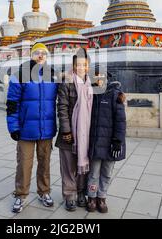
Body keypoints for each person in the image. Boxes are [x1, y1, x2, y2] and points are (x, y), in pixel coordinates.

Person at [6, 43, 58, 213]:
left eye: (44, 53)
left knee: (45, 163)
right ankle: (20, 195)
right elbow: (12, 104)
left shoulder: (53, 75)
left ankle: (44, 192)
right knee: (24, 163)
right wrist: (13, 127)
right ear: (31, 55)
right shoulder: (20, 75)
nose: (40, 56)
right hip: (25, 129)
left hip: (46, 129)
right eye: (37, 53)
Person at [55, 48, 93, 211]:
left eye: (84, 65)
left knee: (83, 165)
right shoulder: (67, 83)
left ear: (88, 66)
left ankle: (80, 192)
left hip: (86, 133)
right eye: (78, 65)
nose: (81, 68)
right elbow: (62, 108)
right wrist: (66, 131)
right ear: (73, 65)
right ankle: (69, 195)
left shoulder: (92, 84)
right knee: (69, 166)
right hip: (69, 133)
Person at [86, 69, 127, 213]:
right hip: (96, 143)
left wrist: (118, 141)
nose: (99, 79)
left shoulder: (115, 95)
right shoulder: (90, 94)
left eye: (101, 76)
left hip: (111, 143)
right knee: (93, 173)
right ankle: (91, 197)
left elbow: (121, 121)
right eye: (95, 77)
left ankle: (102, 197)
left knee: (107, 172)